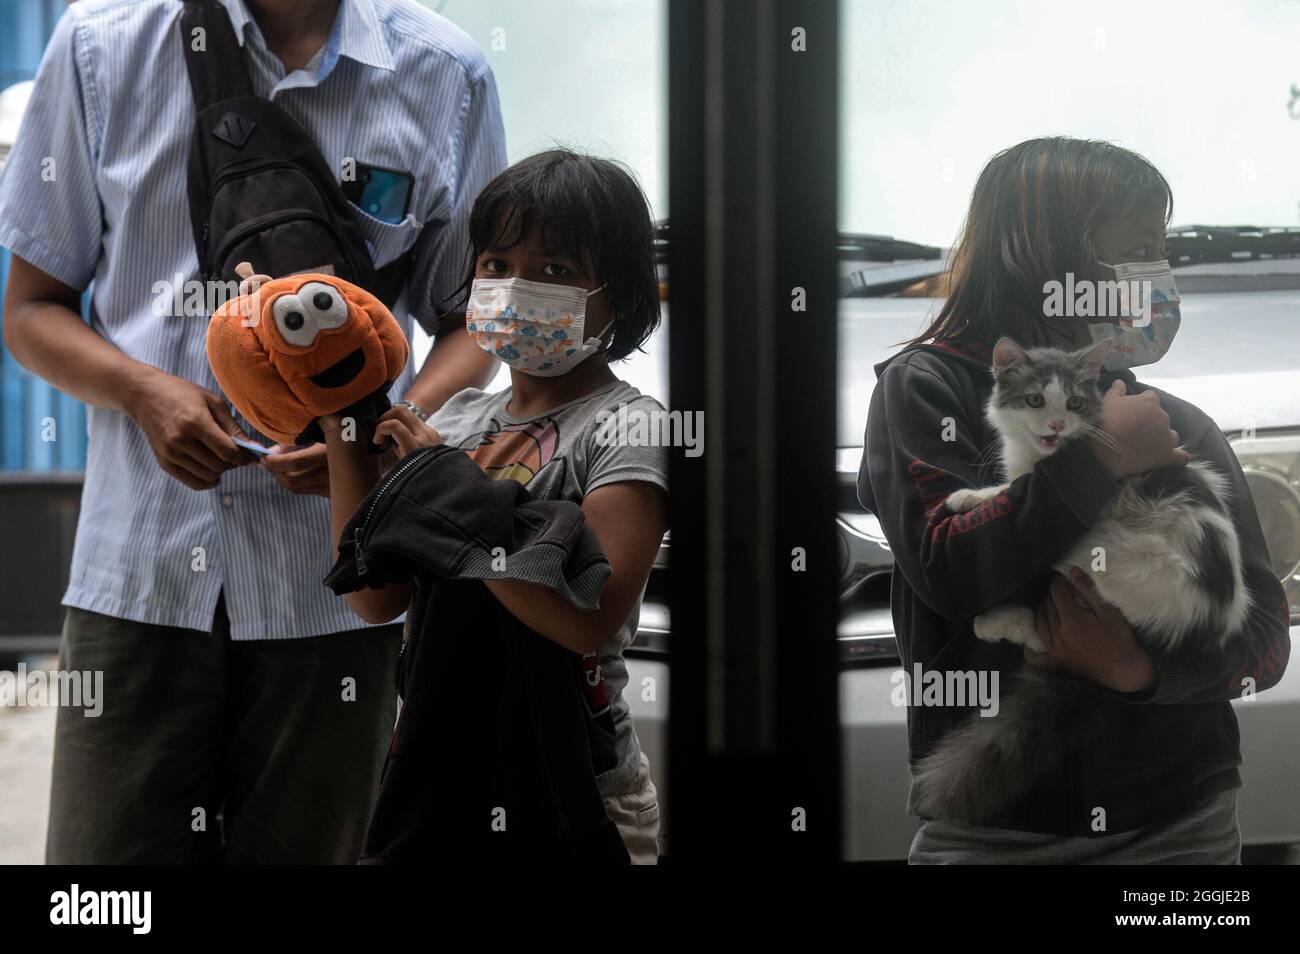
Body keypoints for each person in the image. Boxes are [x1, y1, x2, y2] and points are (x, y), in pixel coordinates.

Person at [0, 0, 506, 863]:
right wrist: (143, 392)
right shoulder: (100, 46)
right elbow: (31, 310)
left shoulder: (444, 72)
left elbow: (476, 321)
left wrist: (390, 426)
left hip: (340, 590)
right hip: (142, 574)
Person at [859, 137, 1290, 864]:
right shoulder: (926, 390)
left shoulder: (1175, 423)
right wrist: (1100, 457)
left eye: (1164, 249)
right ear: (1045, 256)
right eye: (1139, 248)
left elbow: (1266, 639)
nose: (1160, 274)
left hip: (1180, 823)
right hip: (995, 822)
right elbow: (950, 569)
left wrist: (1138, 670)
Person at [321, 149, 669, 862]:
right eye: (497, 265)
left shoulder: (628, 426)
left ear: (621, 295)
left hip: (575, 785)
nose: (515, 289)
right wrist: (338, 429)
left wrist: (436, 484)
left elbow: (587, 620)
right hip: (440, 773)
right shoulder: (452, 420)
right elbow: (376, 597)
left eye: (556, 271)